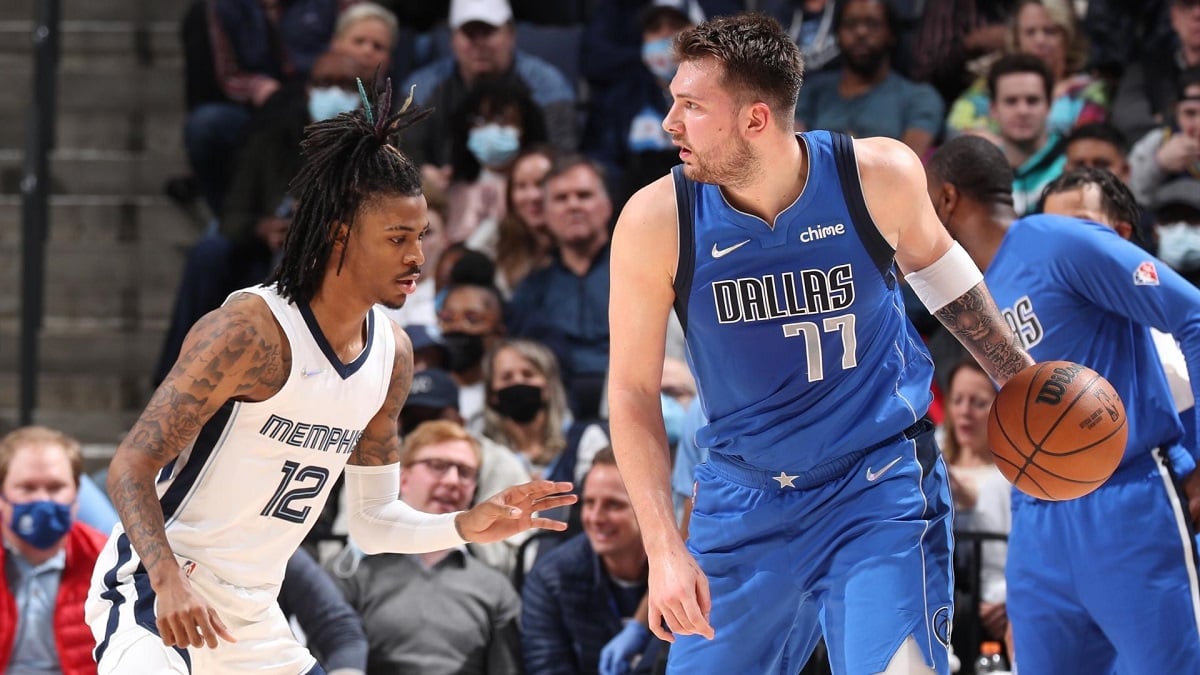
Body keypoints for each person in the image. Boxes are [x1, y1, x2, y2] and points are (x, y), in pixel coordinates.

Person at [84, 81, 576, 674]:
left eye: (420, 236)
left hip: (252, 616)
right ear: (340, 234)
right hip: (157, 594)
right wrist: (165, 579)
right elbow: (130, 466)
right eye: (397, 238)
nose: (418, 256)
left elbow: (372, 523)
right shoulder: (250, 331)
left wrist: (465, 525)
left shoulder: (392, 354)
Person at [607, 13, 1033, 675]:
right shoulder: (655, 219)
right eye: (673, 102)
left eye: (691, 106)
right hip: (741, 499)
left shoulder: (877, 175)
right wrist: (664, 549)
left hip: (876, 487)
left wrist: (1024, 379)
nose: (670, 123)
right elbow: (632, 392)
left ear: (754, 119)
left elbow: (946, 280)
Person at [926, 135, 1200, 674]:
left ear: (946, 200)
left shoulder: (1056, 240)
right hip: (1036, 514)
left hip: (1127, 499)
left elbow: (1192, 315)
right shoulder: (967, 294)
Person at [329, 421, 523, 674]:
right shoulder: (353, 572)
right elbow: (330, 654)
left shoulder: (495, 587)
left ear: (474, 489)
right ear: (403, 478)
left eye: (465, 472)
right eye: (438, 466)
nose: (453, 481)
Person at [521, 448, 665, 675]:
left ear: (650, 510)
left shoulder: (681, 574)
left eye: (613, 505)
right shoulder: (551, 579)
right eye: (589, 503)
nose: (596, 518)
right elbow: (547, 668)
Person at [0, 426, 108, 675]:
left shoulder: (108, 561)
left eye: (55, 487)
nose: (44, 501)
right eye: (27, 488)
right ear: (2, 494)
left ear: (77, 495)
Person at [794, 0, 945, 158]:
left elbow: (908, 164)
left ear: (891, 33)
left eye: (873, 24)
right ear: (837, 34)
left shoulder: (920, 98)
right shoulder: (810, 92)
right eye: (850, 25)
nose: (861, 32)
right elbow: (795, 156)